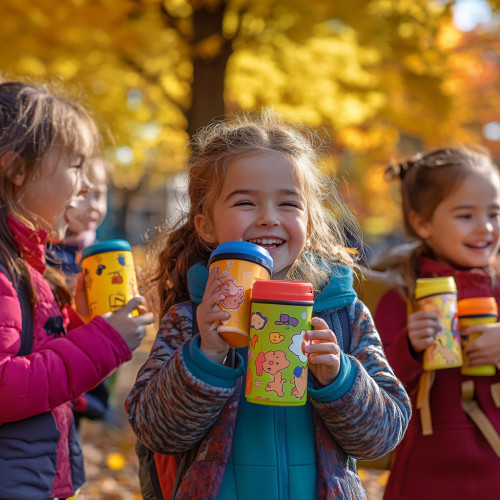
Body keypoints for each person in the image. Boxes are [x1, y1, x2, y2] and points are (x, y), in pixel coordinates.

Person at [126, 111, 411, 500]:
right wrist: (206, 354)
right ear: (206, 225)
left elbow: (385, 436)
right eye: (245, 202)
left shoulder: (342, 313)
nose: (268, 218)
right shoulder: (191, 318)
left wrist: (340, 377)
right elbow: (155, 430)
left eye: (288, 204)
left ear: (309, 223)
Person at [0, 81, 153, 500]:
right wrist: (103, 341)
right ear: (15, 169)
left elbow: (38, 358)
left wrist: (85, 322)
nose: (86, 186)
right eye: (75, 167)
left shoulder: (30, 265)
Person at [375, 146, 500, 500]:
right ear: (422, 223)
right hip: (426, 468)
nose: (486, 227)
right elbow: (374, 386)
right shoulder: (400, 296)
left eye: (495, 213)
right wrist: (409, 347)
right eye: (466, 215)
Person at [46, 156, 111, 429]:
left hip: (92, 372)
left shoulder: (100, 252)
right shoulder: (49, 253)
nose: (94, 206)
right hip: (56, 373)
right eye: (84, 195)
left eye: (100, 195)